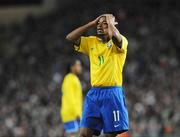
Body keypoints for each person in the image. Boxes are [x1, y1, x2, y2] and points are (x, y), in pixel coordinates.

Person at [66, 14, 129, 137]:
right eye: (98, 24)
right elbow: (70, 38)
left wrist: (110, 23)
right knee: (84, 134)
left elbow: (117, 38)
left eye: (104, 23)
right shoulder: (91, 42)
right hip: (94, 94)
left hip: (112, 94)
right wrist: (91, 23)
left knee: (110, 135)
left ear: (112, 25)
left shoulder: (120, 43)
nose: (100, 26)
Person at [61, 59, 83, 137]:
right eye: (78, 65)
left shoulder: (72, 78)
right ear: (72, 67)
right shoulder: (69, 79)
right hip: (72, 114)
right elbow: (70, 97)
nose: (80, 67)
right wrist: (77, 113)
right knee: (73, 134)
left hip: (72, 113)